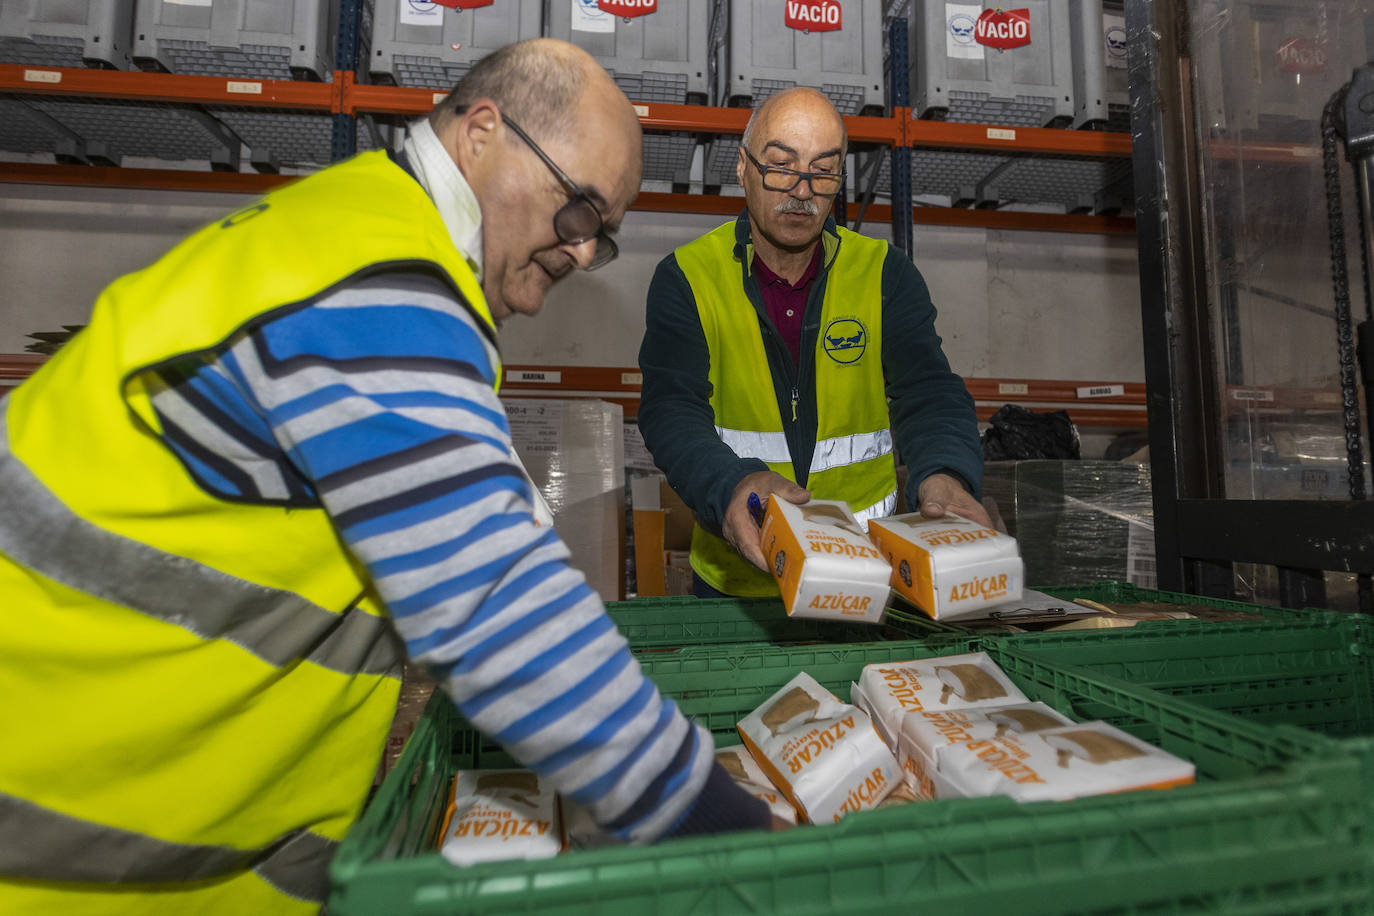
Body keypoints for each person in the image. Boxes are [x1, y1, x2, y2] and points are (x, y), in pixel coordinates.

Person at [0, 39, 769, 916]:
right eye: (580, 212)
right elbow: (496, 607)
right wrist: (734, 840)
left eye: (602, 237)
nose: (581, 253)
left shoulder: (371, 250)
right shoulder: (376, 270)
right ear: (483, 132)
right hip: (50, 855)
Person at [638, 87, 988, 598]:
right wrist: (732, 484)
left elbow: (929, 391)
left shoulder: (885, 274)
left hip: (862, 573)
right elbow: (670, 410)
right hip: (739, 582)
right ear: (743, 168)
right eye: (781, 165)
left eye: (823, 171)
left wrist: (945, 474)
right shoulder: (687, 277)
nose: (801, 191)